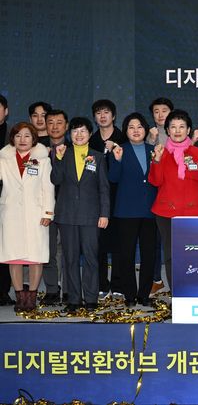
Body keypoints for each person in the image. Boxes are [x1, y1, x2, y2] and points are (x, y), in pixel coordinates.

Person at [149, 109, 198, 292]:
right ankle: (177, 293)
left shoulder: (197, 153)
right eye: (173, 127)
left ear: (188, 130)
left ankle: (194, 291)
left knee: (194, 254)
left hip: (194, 214)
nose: (177, 131)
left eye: (181, 127)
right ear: (167, 130)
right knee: (171, 256)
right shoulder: (161, 152)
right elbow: (155, 181)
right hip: (166, 214)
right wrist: (157, 160)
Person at [51, 117, 110, 312]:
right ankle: (74, 300)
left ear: (90, 134)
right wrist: (58, 159)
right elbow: (55, 179)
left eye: (83, 131)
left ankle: (91, 299)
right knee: (70, 259)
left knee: (91, 258)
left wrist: (104, 214)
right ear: (70, 134)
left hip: (91, 216)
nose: (79, 134)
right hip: (67, 215)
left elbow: (103, 188)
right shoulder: (62, 154)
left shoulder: (97, 157)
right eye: (75, 131)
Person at [0, 122, 55, 311]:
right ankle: (19, 297)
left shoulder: (43, 160)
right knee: (13, 257)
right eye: (18, 136)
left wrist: (48, 212)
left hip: (36, 214)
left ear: (33, 139)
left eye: (27, 136)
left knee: (35, 256)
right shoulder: (4, 159)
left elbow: (48, 188)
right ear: (12, 139)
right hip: (11, 214)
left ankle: (31, 297)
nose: (22, 140)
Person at [108, 113, 158, 306]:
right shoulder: (120, 150)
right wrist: (117, 160)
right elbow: (113, 178)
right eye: (131, 127)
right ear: (126, 131)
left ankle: (144, 294)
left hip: (150, 210)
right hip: (126, 211)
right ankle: (129, 294)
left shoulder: (154, 150)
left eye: (139, 126)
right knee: (126, 254)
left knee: (149, 254)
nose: (136, 130)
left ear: (145, 129)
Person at [89, 99, 126, 299]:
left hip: (119, 197)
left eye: (106, 112)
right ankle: (102, 283)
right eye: (98, 113)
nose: (102, 116)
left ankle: (118, 283)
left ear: (114, 116)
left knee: (119, 242)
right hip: (96, 200)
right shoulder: (91, 140)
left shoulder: (123, 138)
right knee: (99, 244)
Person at [40, 109, 70, 305]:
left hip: (69, 207)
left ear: (66, 126)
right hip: (45, 207)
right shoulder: (38, 149)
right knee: (48, 249)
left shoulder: (75, 147)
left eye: (59, 122)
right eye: (50, 122)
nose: (55, 126)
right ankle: (51, 289)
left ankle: (68, 289)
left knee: (69, 250)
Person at [145, 97, 174, 295]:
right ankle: (156, 279)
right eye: (156, 111)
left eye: (164, 110)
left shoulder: (178, 133)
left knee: (176, 241)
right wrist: (150, 139)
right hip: (154, 192)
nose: (160, 114)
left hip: (175, 194)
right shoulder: (149, 135)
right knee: (154, 239)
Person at [0, 94, 14, 306]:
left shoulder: (14, 135)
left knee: (4, 246)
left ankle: (3, 291)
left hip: (7, 197)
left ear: (6, 111)